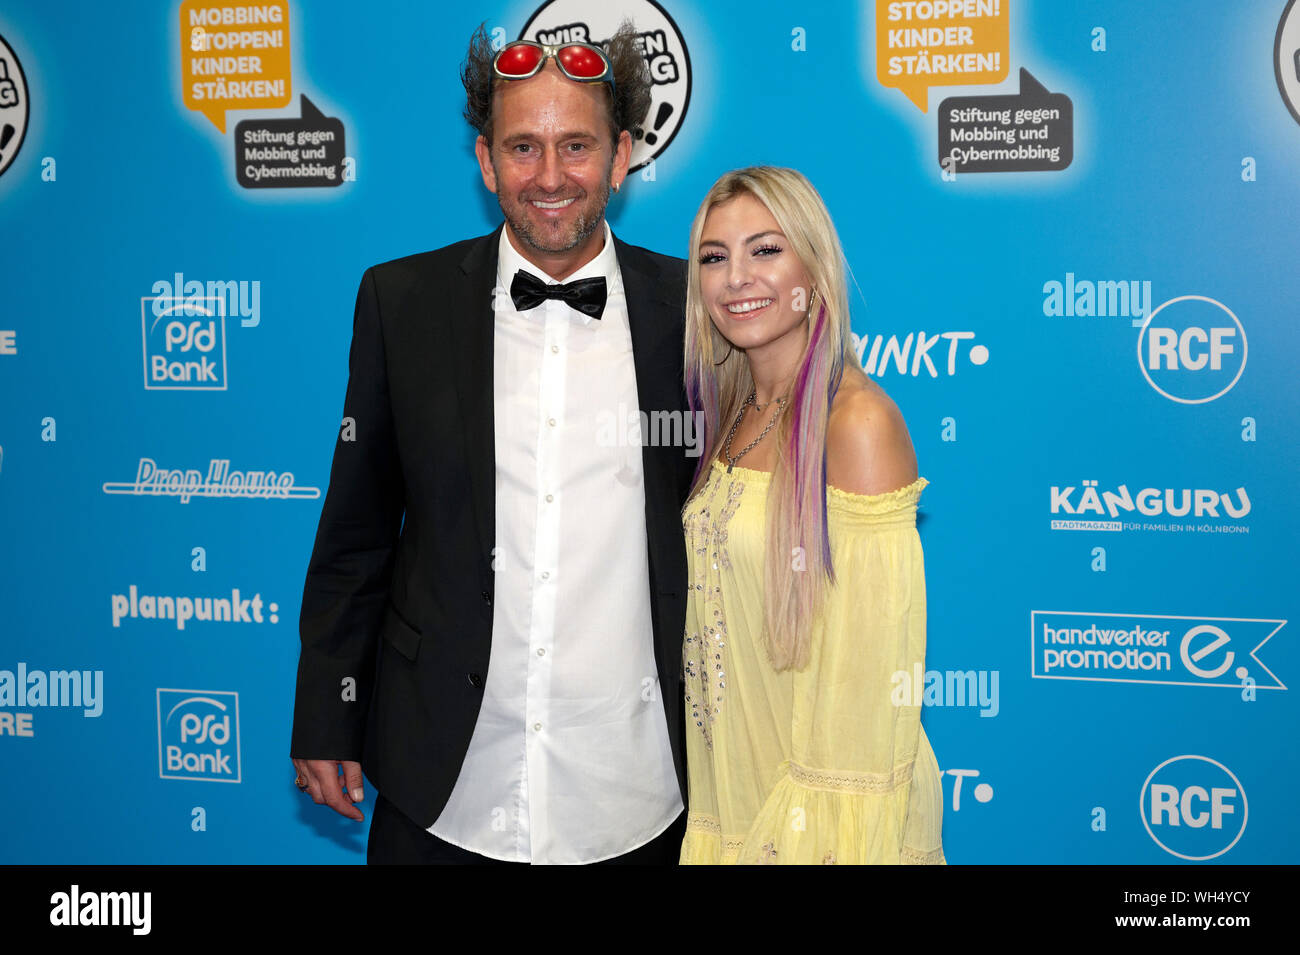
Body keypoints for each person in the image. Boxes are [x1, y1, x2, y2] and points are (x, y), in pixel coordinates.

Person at [289, 23, 696, 864]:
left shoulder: (694, 312)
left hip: (635, 796)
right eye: (523, 147)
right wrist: (328, 710)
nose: (550, 176)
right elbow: (356, 537)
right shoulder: (401, 302)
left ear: (622, 158)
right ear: (485, 161)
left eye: (576, 145)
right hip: (443, 786)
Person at [676, 166, 945, 864]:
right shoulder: (731, 416)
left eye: (765, 250)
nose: (737, 277)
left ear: (814, 267)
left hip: (817, 832)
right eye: (714, 257)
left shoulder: (857, 423)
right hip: (732, 800)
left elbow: (865, 694)